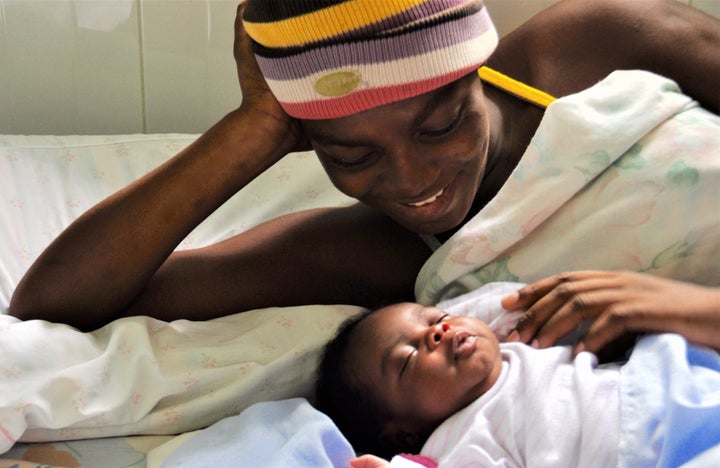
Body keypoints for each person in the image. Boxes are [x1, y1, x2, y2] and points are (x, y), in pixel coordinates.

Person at [8, 0, 720, 332]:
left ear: (476, 69)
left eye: (441, 124)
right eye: (351, 154)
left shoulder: (594, 46)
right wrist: (251, 130)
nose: (412, 181)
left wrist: (693, 311)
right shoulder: (378, 252)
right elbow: (54, 303)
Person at [315, 274, 720, 468]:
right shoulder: (465, 448)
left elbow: (517, 300)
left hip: (678, 386)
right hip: (662, 466)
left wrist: (446, 315)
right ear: (401, 434)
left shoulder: (511, 346)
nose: (437, 332)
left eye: (435, 319)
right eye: (407, 359)